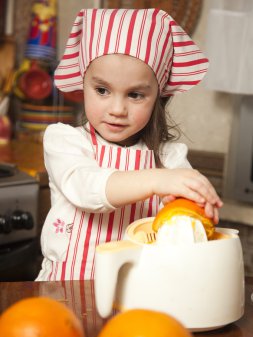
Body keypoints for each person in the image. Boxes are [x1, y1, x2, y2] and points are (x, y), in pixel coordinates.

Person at [36, 8, 223, 281]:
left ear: (157, 96)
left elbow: (184, 221)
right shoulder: (64, 141)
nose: (117, 109)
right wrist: (159, 181)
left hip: (139, 297)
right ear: (83, 83)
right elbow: (86, 188)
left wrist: (196, 206)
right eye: (102, 90)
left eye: (135, 95)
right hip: (65, 293)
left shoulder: (170, 158)